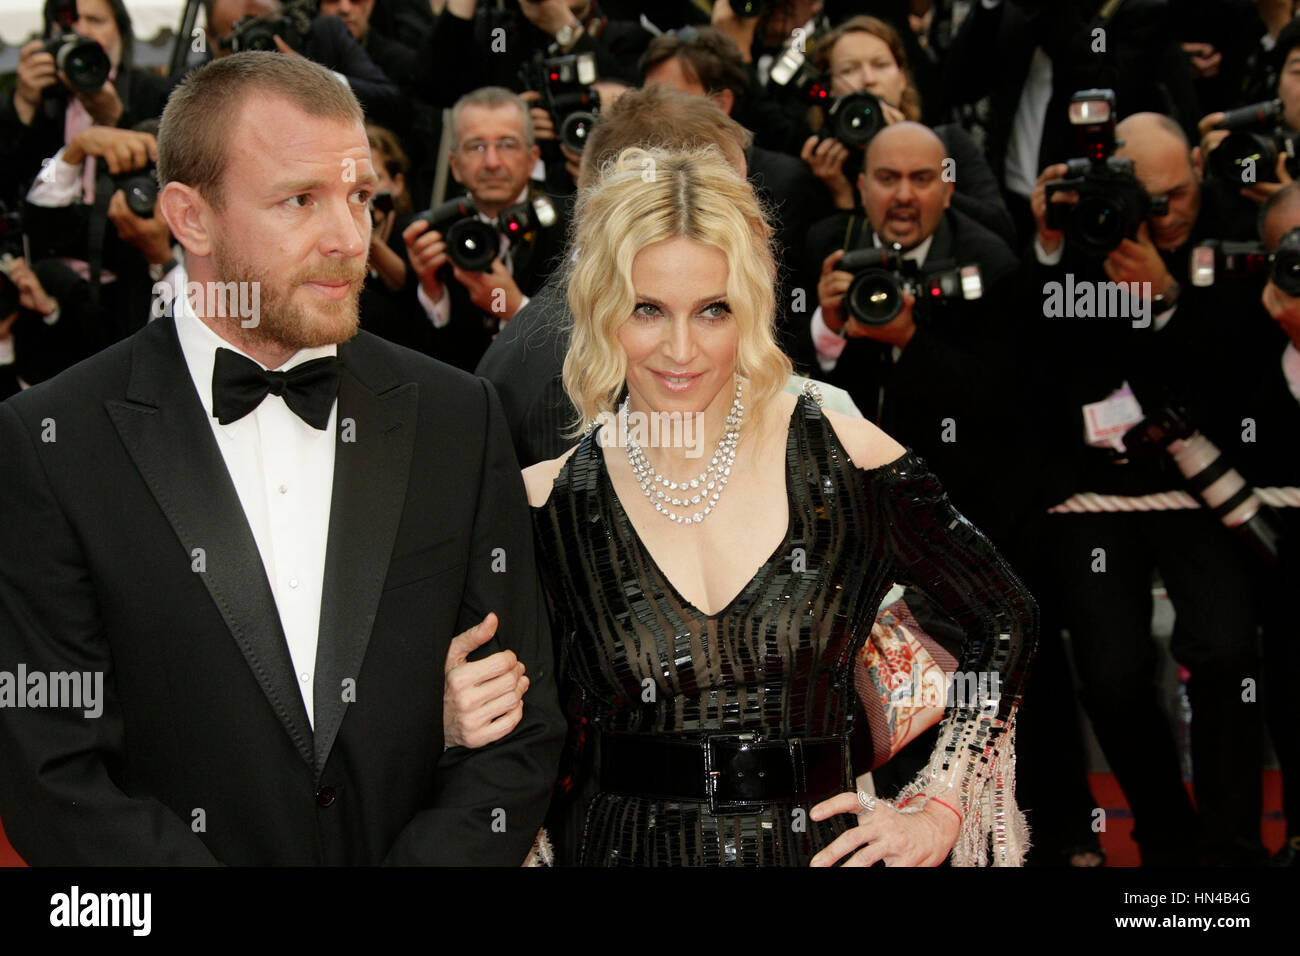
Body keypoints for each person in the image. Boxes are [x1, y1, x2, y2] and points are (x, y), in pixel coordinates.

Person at [0, 52, 565, 866]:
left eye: (360, 197)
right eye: (300, 200)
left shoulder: (456, 415)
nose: (349, 239)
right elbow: (54, 777)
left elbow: (524, 724)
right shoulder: (53, 441)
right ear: (190, 217)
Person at [519, 145, 1038, 866]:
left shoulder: (849, 458)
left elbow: (1004, 617)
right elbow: (511, 726)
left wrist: (940, 802)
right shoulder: (545, 502)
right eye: (647, 309)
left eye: (712, 311)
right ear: (602, 309)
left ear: (752, 308)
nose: (679, 348)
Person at [1023, 112, 1271, 866]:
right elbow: (1039, 347)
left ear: (1200, 172)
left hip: (1200, 486)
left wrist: (1167, 301)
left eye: (1174, 199)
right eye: (1145, 199)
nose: (1158, 216)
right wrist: (1050, 244)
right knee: (1113, 673)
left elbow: (1244, 372)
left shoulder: (1232, 236)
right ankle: (1167, 833)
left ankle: (1231, 846)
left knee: (1228, 653)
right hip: (1096, 495)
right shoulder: (1078, 241)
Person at [797, 14, 1014, 245]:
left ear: (902, 78)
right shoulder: (820, 164)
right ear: (828, 88)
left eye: (880, 65)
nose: (868, 79)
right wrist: (842, 197)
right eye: (849, 70)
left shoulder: (950, 143)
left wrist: (917, 159)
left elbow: (1001, 231)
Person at [403, 86, 569, 372]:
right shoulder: (430, 234)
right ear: (454, 165)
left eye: (507, 144)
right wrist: (432, 292)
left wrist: (518, 310)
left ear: (532, 160)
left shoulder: (572, 226)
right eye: (477, 147)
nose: (492, 162)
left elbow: (590, 348)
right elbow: (418, 362)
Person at [1, 0, 169, 204]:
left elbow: (166, 172)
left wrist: (118, 119)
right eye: (68, 23)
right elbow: (13, 184)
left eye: (95, 20)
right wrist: (23, 106)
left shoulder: (154, 91)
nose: (82, 31)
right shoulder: (41, 97)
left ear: (121, 33)